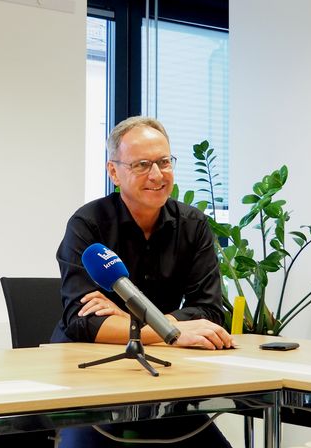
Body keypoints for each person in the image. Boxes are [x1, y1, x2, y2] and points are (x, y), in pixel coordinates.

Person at [52, 116, 234, 447]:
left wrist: (127, 320)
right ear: (114, 172)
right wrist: (171, 332)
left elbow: (209, 311)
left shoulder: (193, 225)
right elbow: (83, 323)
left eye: (164, 162)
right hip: (90, 380)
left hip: (163, 379)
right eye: (142, 164)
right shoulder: (87, 225)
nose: (157, 175)